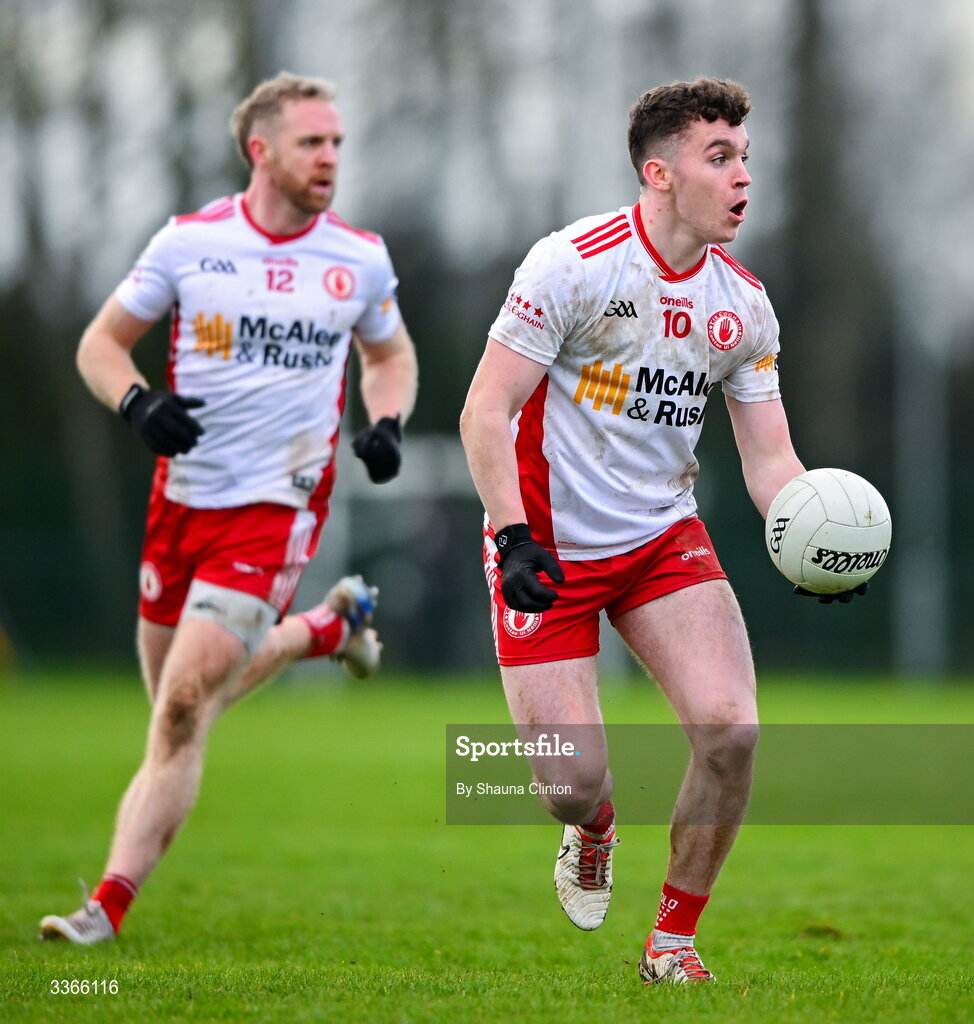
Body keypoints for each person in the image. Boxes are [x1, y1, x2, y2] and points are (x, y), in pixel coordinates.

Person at [460, 77, 865, 984]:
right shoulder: (569, 266)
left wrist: (814, 537)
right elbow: (485, 412)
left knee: (732, 732)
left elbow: (770, 459)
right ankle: (594, 833)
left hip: (660, 543)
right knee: (573, 787)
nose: (741, 178)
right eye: (718, 158)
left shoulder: (743, 305)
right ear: (659, 173)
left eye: (745, 159)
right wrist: (513, 536)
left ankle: (671, 944)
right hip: (548, 549)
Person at [40, 72, 418, 944]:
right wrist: (138, 403)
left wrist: (388, 421)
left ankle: (105, 908)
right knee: (179, 705)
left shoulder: (356, 257)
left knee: (180, 710)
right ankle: (326, 630)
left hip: (277, 508)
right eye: (311, 144)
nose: (329, 159)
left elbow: (389, 355)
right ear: (261, 151)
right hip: (181, 503)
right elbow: (101, 345)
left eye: (336, 144)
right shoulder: (187, 244)